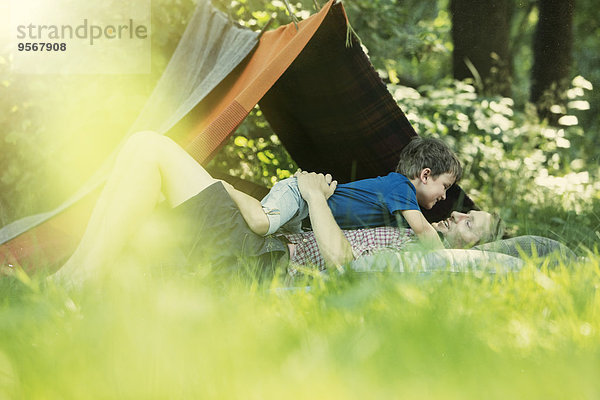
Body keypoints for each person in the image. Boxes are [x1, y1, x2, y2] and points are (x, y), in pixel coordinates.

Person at [52, 131, 502, 284]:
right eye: (465, 210)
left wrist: (310, 194)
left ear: (472, 252)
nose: (457, 213)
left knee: (149, 147)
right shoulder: (402, 214)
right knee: (141, 145)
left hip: (260, 262)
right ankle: (72, 277)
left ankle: (76, 281)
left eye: (469, 224)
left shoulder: (421, 253)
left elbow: (342, 262)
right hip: (262, 244)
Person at [249, 137, 461, 250]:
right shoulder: (401, 186)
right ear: (425, 175)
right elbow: (424, 231)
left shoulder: (400, 214)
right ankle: (225, 187)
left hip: (307, 218)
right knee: (262, 223)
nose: (444, 196)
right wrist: (445, 258)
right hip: (300, 195)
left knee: (262, 240)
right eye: (445, 186)